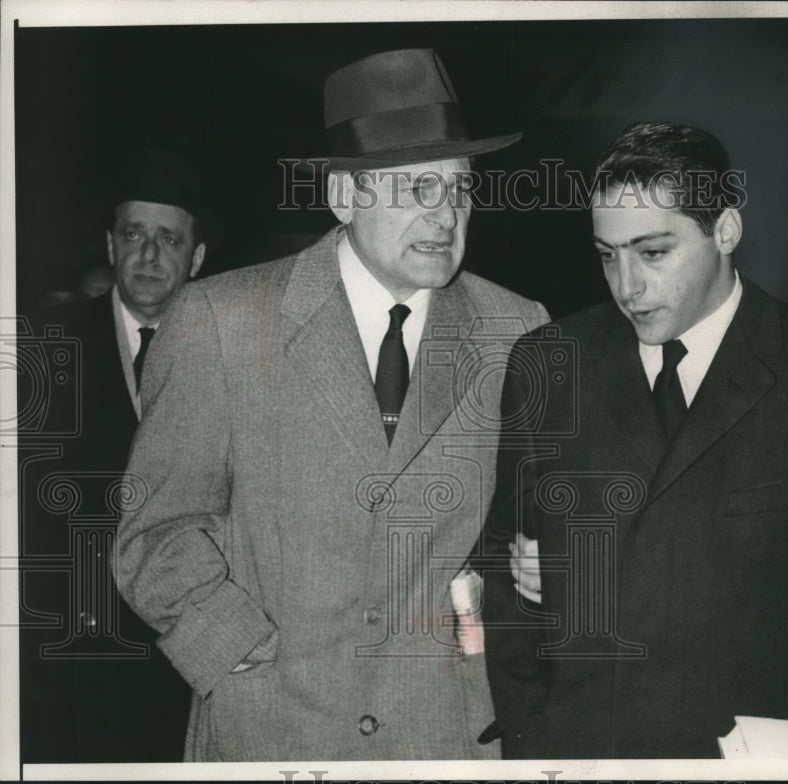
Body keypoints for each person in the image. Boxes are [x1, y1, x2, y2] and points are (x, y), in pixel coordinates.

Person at [113, 49, 548, 761]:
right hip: (269, 732)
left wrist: (512, 594)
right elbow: (152, 535)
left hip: (444, 737)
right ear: (343, 197)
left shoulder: (517, 328)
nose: (445, 215)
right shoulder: (220, 322)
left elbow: (528, 532)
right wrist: (227, 645)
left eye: (459, 188)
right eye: (415, 188)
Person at [480, 121, 788, 759]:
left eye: (653, 251)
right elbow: (505, 554)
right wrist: (530, 730)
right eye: (608, 254)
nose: (627, 286)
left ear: (725, 230)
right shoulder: (549, 363)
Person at [19, 148, 211, 761]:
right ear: (110, 245)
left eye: (169, 239)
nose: (149, 256)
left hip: (175, 659)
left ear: (197, 259)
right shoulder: (44, 346)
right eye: (134, 234)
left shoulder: (230, 361)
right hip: (63, 657)